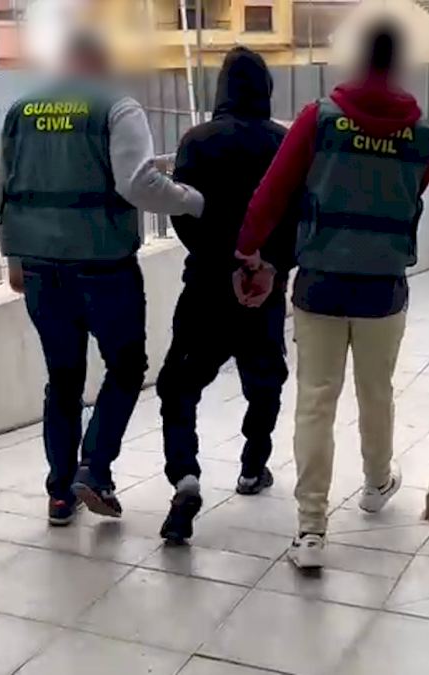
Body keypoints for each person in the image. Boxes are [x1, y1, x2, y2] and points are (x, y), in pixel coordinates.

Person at [232, 21, 429, 570]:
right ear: (399, 64)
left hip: (320, 281)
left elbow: (272, 193)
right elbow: (412, 191)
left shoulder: (320, 119)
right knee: (376, 391)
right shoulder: (425, 134)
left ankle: (311, 531)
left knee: (316, 399)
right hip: (383, 287)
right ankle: (376, 483)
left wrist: (249, 251)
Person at [0, 29, 204, 525]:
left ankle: (60, 494)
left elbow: (0, 191)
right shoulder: (116, 107)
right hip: (103, 266)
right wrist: (193, 202)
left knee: (63, 379)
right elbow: (138, 183)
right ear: (101, 62)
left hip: (39, 266)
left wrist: (12, 258)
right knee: (126, 368)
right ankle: (94, 468)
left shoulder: (21, 110)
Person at [155, 47, 294, 544]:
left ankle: (186, 479)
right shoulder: (284, 143)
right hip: (264, 289)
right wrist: (265, 265)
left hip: (207, 288)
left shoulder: (196, 141)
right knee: (266, 381)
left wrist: (225, 263)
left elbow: (184, 213)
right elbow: (296, 214)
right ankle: (253, 466)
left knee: (178, 386)